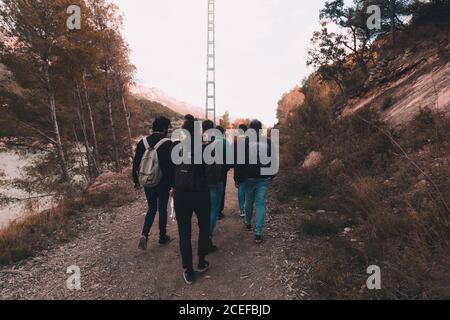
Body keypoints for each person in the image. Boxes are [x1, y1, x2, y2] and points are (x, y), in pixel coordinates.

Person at [173, 116, 211, 285]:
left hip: (181, 194)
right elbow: (211, 172)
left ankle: (188, 270)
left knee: (184, 232)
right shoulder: (205, 149)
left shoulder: (175, 148)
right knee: (204, 227)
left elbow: (169, 173)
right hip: (201, 193)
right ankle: (201, 261)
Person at [133, 116, 174, 251]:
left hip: (147, 181)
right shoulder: (168, 143)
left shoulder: (142, 142)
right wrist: (172, 185)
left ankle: (144, 234)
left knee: (151, 208)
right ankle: (162, 237)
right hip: (162, 182)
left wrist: (136, 181)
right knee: (162, 208)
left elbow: (136, 164)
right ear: (164, 128)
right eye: (168, 128)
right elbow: (170, 167)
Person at [234, 120, 277, 244]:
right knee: (260, 204)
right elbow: (274, 160)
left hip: (248, 178)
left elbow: (239, 163)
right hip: (263, 179)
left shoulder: (244, 143)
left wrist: (237, 179)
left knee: (249, 201)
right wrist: (272, 176)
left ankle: (247, 222)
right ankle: (258, 233)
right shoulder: (268, 142)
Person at [202, 121, 229, 253]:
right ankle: (207, 238)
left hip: (200, 181)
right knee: (213, 209)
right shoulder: (219, 142)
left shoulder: (195, 141)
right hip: (215, 180)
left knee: (203, 210)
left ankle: (203, 236)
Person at [216, 126, 232, 221]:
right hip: (222, 171)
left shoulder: (209, 141)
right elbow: (230, 159)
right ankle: (219, 212)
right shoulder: (225, 143)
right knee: (221, 191)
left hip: (210, 171)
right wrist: (225, 169)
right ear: (222, 133)